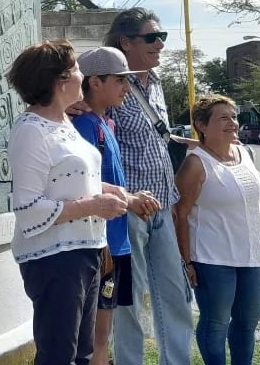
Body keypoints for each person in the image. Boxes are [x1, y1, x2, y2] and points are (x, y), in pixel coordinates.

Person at [6, 40, 129, 365]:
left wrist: (107, 191)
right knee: (59, 355)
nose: (82, 74)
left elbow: (68, 181)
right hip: (55, 261)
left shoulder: (65, 124)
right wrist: (93, 206)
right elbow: (28, 208)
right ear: (59, 81)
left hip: (85, 251)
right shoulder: (32, 131)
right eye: (76, 69)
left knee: (81, 355)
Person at [103, 7, 195, 365]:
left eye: (162, 37)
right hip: (132, 210)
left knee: (175, 296)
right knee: (130, 302)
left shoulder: (155, 83)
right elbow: (101, 144)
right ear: (125, 42)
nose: (160, 44)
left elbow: (151, 138)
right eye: (151, 37)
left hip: (162, 206)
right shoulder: (110, 84)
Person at [71, 47, 161, 365]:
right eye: (121, 80)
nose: (127, 87)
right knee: (96, 335)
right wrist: (131, 199)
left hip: (116, 242)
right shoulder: (83, 125)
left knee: (103, 331)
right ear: (95, 83)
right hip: (100, 243)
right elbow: (80, 183)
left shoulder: (104, 121)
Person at [174, 95, 260, 365]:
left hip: (250, 256)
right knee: (216, 322)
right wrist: (186, 261)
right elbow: (180, 214)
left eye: (233, 117)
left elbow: (251, 202)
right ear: (201, 125)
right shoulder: (195, 163)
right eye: (223, 118)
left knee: (248, 319)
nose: (232, 123)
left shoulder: (246, 153)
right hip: (212, 259)